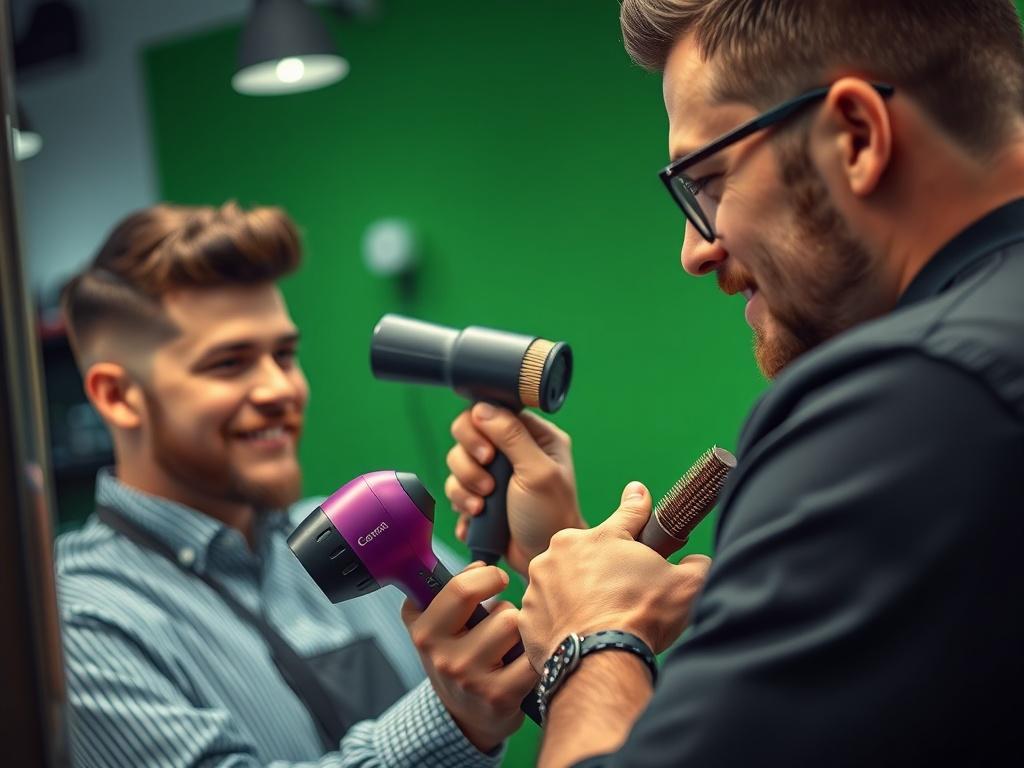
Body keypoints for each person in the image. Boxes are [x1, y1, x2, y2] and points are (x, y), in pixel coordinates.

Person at [444, 1, 1024, 765]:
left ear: (856, 135)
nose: (694, 250)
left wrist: (589, 638)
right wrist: (566, 564)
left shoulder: (907, 402)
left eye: (709, 180)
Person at [55, 202, 536, 767]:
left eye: (283, 354)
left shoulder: (362, 529)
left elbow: (546, 663)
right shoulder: (79, 617)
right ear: (118, 396)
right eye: (229, 363)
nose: (280, 388)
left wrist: (545, 549)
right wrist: (451, 720)